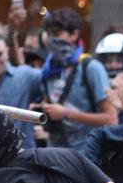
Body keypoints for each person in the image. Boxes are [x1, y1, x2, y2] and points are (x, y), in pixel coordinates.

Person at [34, 8, 116, 149]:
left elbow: (111, 119)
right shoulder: (48, 70)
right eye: (49, 34)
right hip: (55, 151)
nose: (52, 40)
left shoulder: (91, 68)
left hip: (87, 153)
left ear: (74, 35)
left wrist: (66, 113)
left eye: (57, 34)